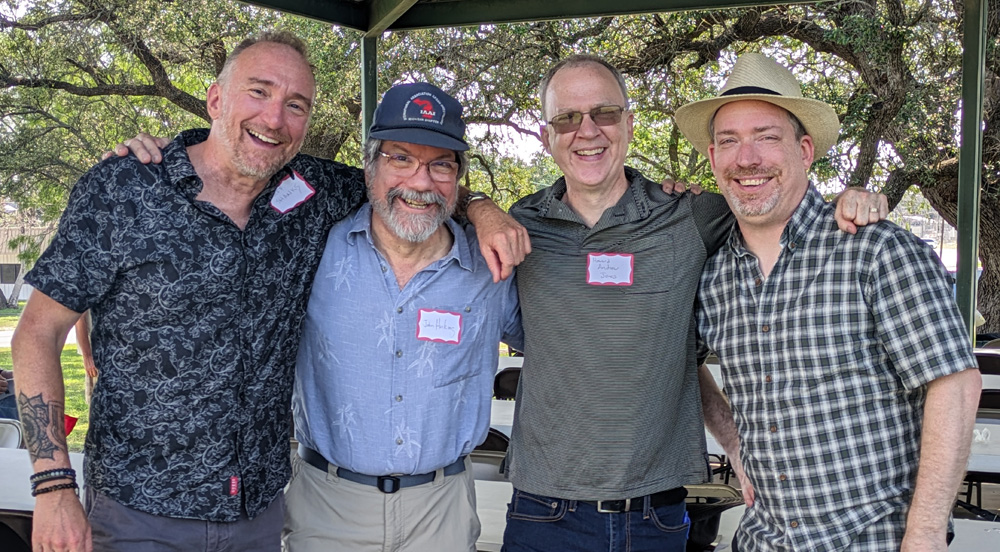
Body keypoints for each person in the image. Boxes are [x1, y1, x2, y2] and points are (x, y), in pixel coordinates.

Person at [11, 31, 524, 552]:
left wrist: (482, 207)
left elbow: (415, 189)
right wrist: (52, 485)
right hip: (139, 510)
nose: (274, 118)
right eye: (258, 91)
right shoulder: (126, 187)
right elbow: (36, 334)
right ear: (215, 98)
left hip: (256, 513)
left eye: (295, 104)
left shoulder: (315, 194)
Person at [501, 54, 886, 552]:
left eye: (605, 113)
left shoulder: (692, 214)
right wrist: (479, 205)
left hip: (653, 516)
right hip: (541, 513)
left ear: (630, 123)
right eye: (567, 118)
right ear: (545, 136)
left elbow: (774, 198)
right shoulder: (520, 227)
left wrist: (851, 199)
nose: (587, 131)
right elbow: (435, 207)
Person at [676, 53, 982, 551]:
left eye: (766, 137)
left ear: (804, 150)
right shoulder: (710, 276)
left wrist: (925, 534)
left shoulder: (877, 251)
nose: (746, 158)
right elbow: (680, 364)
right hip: (764, 539)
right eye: (729, 141)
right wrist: (733, 443)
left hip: (873, 540)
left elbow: (955, 384)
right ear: (713, 157)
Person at [282, 82, 523, 551]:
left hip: (441, 514)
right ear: (370, 168)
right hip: (328, 510)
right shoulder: (313, 250)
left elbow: (559, 342)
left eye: (440, 164)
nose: (420, 182)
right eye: (401, 159)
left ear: (458, 177)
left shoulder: (492, 268)